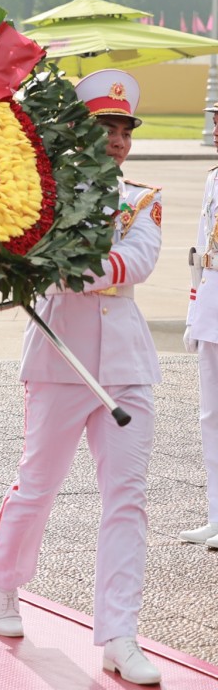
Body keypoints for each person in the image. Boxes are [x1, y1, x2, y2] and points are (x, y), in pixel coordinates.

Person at [0, 69, 162, 685]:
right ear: (77, 132)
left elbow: (136, 263)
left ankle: (119, 634)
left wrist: (73, 264)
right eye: (104, 127)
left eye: (123, 129)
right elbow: (36, 267)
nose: (116, 139)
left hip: (126, 368)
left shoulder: (141, 199)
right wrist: (66, 263)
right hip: (61, 359)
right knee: (38, 484)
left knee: (127, 500)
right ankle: (2, 582)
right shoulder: (44, 198)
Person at [181, 100, 218, 550]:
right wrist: (194, 313)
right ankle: (215, 512)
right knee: (211, 416)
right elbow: (198, 256)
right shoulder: (213, 179)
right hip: (213, 303)